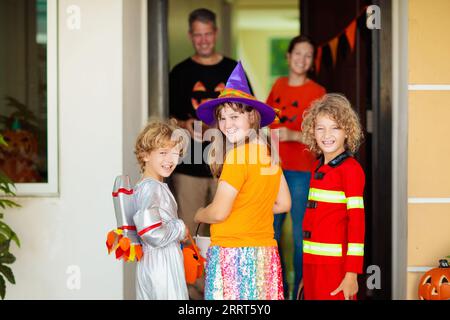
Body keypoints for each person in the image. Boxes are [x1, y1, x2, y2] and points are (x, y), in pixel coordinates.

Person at [194, 62, 291, 300]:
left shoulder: (238, 156)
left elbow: (217, 213)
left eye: (234, 116)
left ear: (252, 116)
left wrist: (199, 213)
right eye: (223, 118)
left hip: (234, 255)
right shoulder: (268, 153)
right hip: (264, 255)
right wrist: (248, 207)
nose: (227, 125)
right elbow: (283, 204)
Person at [168, 8, 239, 299]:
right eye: (197, 35)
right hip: (189, 166)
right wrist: (185, 124)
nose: (203, 40)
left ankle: (225, 290)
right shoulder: (180, 73)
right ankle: (194, 294)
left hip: (227, 164)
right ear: (190, 36)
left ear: (216, 33)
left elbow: (249, 114)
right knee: (190, 230)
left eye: (207, 33)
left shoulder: (234, 70)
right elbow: (168, 118)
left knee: (226, 228)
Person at [266, 35, 326, 299]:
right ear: (288, 57)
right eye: (297, 53)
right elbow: (264, 122)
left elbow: (324, 135)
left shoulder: (318, 92)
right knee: (271, 233)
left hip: (303, 171)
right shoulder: (278, 85)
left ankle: (299, 291)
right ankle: (275, 289)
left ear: (312, 62)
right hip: (273, 169)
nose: (302, 59)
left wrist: (292, 135)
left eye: (308, 55)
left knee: (302, 236)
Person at [300, 93, 365, 300]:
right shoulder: (317, 166)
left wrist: (351, 274)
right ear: (313, 132)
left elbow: (357, 224)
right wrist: (305, 272)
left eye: (335, 127)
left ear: (347, 131)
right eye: (321, 128)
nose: (327, 134)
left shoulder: (351, 170)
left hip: (336, 268)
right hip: (312, 265)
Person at [132, 120, 189, 300]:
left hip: (150, 262)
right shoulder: (152, 188)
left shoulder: (145, 186)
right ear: (145, 155)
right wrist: (180, 229)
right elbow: (151, 232)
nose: (170, 160)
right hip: (162, 263)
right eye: (163, 153)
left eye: (175, 153)